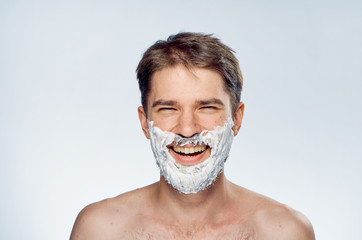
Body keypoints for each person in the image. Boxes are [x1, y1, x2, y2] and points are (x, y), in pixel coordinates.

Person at [70, 32, 315, 239]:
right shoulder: (101, 230)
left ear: (236, 119)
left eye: (206, 107)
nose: (187, 129)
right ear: (145, 122)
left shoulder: (282, 232)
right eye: (168, 108)